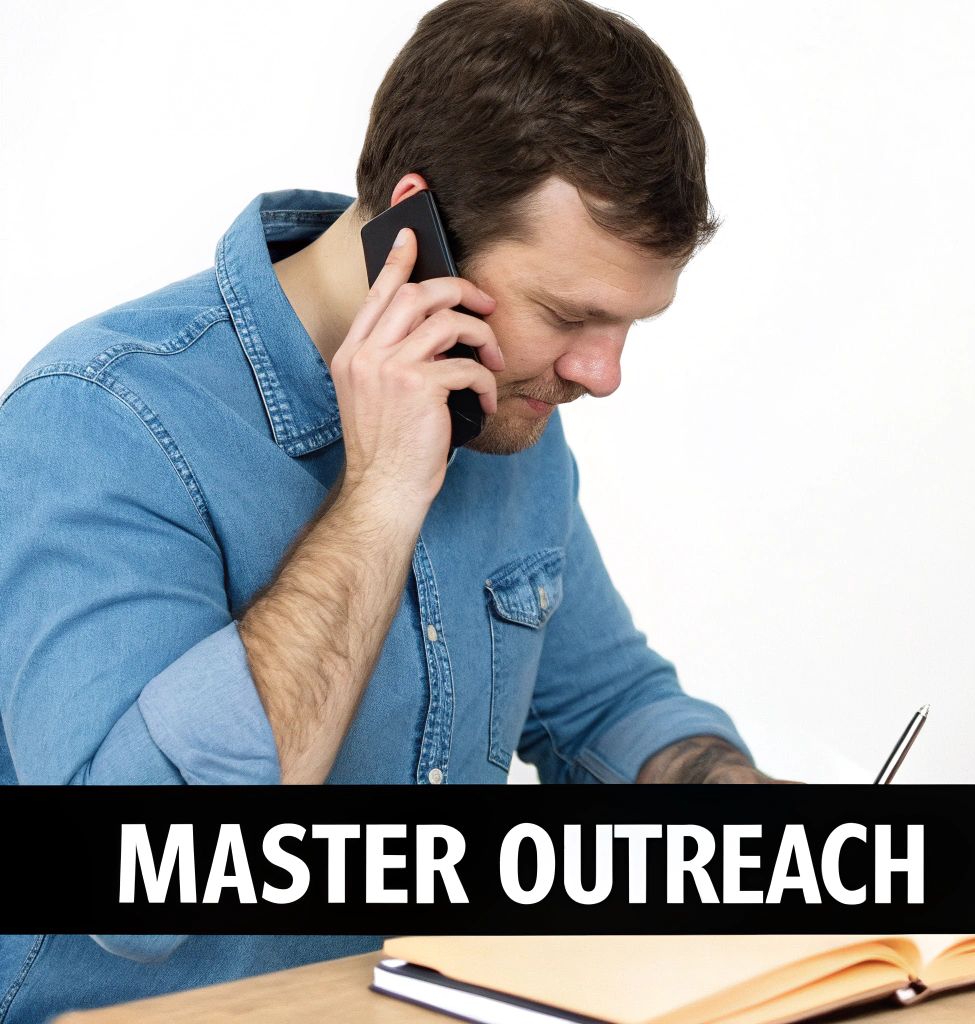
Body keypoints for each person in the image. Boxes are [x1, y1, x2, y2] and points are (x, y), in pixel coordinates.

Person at [0, 0, 790, 1017]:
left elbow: (604, 708)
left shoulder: (501, 407)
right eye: (569, 316)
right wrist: (378, 497)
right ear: (417, 229)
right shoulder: (101, 419)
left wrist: (739, 807)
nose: (603, 373)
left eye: (629, 325)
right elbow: (136, 881)